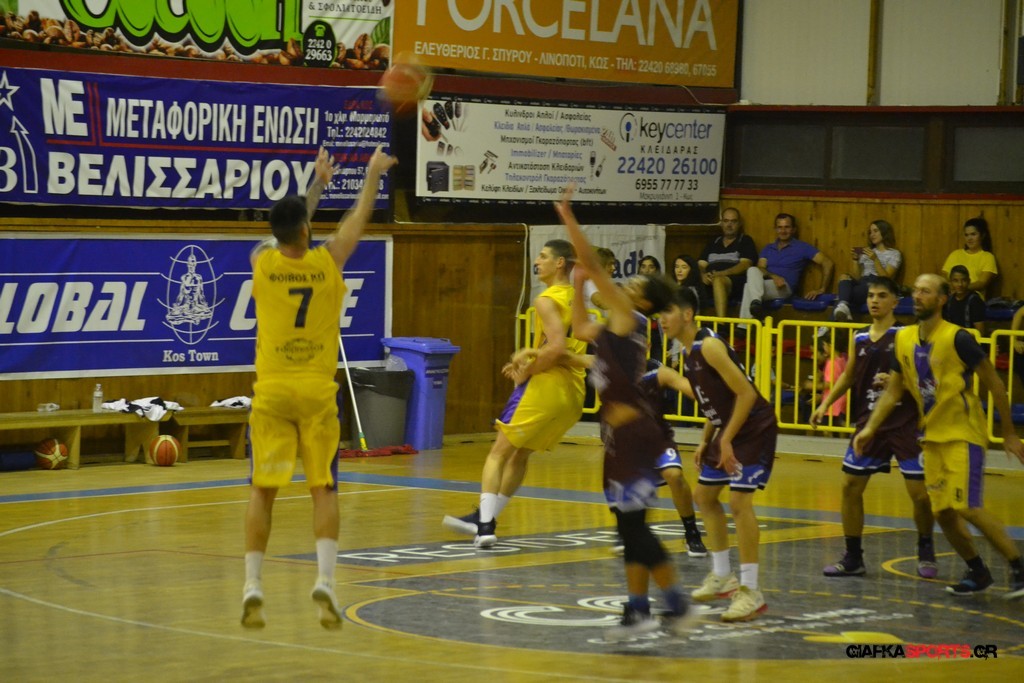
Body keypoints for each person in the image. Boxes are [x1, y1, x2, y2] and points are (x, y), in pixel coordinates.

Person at [242, 146, 398, 629]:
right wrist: (371, 175)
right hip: (316, 393)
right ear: (308, 233)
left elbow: (289, 228)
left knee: (262, 491)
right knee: (324, 489)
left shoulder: (262, 261)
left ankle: (252, 584)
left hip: (272, 392)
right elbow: (358, 220)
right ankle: (326, 580)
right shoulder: (329, 260)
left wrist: (315, 188)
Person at [559, 186, 694, 640]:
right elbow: (580, 326)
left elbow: (595, 265)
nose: (627, 286)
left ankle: (677, 604)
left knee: (634, 531)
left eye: (634, 287)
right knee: (628, 528)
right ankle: (638, 609)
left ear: (644, 303)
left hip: (635, 434)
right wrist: (577, 286)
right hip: (620, 437)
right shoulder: (616, 326)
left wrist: (568, 218)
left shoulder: (627, 316)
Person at [853, 274, 1024, 598]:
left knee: (967, 506)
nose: (917, 296)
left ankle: (1019, 567)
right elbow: (894, 390)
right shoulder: (903, 338)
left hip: (963, 433)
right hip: (931, 437)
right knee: (942, 512)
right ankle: (977, 571)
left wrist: (1009, 433)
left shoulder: (958, 337)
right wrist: (870, 427)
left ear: (942, 299)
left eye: (926, 291)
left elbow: (994, 382)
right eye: (915, 290)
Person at [441, 239, 588, 547]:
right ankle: (486, 517)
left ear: (560, 263)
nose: (537, 261)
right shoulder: (577, 298)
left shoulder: (546, 299)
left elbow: (556, 348)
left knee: (497, 454)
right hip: (574, 393)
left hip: (546, 387)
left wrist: (528, 370)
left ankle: (484, 528)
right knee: (520, 454)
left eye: (543, 256)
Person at [659, 286, 779, 622]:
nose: (661, 320)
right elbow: (715, 402)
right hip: (728, 429)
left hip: (753, 428)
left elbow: (746, 394)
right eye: (659, 314)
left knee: (739, 503)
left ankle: (751, 591)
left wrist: (725, 440)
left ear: (687, 314)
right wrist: (706, 439)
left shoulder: (709, 346)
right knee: (704, 496)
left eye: (667, 312)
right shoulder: (689, 353)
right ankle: (723, 575)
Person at [811, 277, 937, 579]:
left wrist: (898, 381)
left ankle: (926, 547)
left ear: (895, 301)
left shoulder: (907, 335)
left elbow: (926, 379)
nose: (874, 301)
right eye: (870, 296)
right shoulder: (859, 338)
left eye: (881, 295)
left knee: (920, 494)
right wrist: (826, 403)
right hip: (869, 421)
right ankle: (853, 556)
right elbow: (849, 376)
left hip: (904, 423)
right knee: (849, 486)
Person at [740, 213, 834, 321]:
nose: (783, 231)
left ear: (793, 229)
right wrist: (773, 276)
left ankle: (747, 321)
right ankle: (756, 306)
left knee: (749, 287)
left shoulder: (802, 247)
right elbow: (761, 268)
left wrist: (822, 289)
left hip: (784, 287)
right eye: (780, 227)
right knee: (752, 270)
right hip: (765, 284)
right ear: (776, 229)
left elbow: (827, 262)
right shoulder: (768, 248)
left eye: (787, 227)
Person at [833, 220, 902, 322]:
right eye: (870, 232)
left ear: (884, 232)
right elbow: (857, 276)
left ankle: (830, 325)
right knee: (844, 277)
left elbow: (886, 279)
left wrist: (875, 259)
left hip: (877, 283)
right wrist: (855, 260)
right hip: (862, 282)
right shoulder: (867, 252)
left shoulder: (894, 254)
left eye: (875, 231)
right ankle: (843, 306)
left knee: (844, 297)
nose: (872, 235)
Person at [699, 207, 758, 318]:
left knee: (718, 280)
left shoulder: (745, 240)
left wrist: (721, 274)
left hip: (734, 282)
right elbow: (701, 265)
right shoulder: (713, 242)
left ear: (739, 224)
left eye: (733, 221)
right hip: (710, 280)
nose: (729, 225)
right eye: (726, 221)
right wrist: (703, 275)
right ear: (721, 223)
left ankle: (721, 323)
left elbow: (745, 265)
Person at [941, 217, 997, 299]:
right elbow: (944, 275)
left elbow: (982, 283)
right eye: (966, 235)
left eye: (973, 234)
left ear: (982, 235)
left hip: (973, 299)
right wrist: (951, 287)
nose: (969, 239)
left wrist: (960, 288)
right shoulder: (955, 254)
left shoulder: (987, 257)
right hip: (952, 298)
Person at [942, 265, 986, 334]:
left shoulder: (975, 301)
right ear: (950, 282)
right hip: (951, 338)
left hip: (969, 339)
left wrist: (958, 330)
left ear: (969, 281)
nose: (960, 284)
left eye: (964, 280)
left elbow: (980, 333)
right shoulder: (948, 300)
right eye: (955, 281)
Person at [583, 246, 617, 314]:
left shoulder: (608, 281)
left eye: (613, 264)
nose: (613, 268)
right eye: (610, 264)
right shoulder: (590, 282)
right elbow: (599, 302)